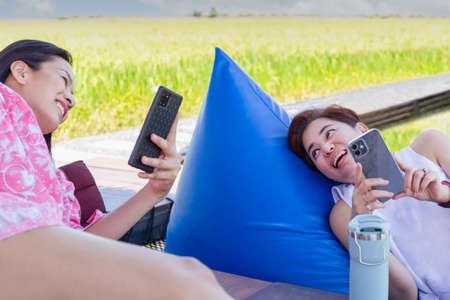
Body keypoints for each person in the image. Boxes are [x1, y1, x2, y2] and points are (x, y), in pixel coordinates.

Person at [0, 40, 232, 300]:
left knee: (191, 277)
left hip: (24, 259)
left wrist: (154, 191)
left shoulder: (46, 178)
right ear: (20, 72)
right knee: (186, 279)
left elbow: (81, 246)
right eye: (63, 80)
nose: (72, 99)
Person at [287, 105, 449, 300]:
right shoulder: (344, 213)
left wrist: (444, 195)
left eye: (329, 133)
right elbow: (404, 293)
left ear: (362, 129)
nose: (327, 148)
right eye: (315, 153)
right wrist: (363, 226)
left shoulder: (429, 145)